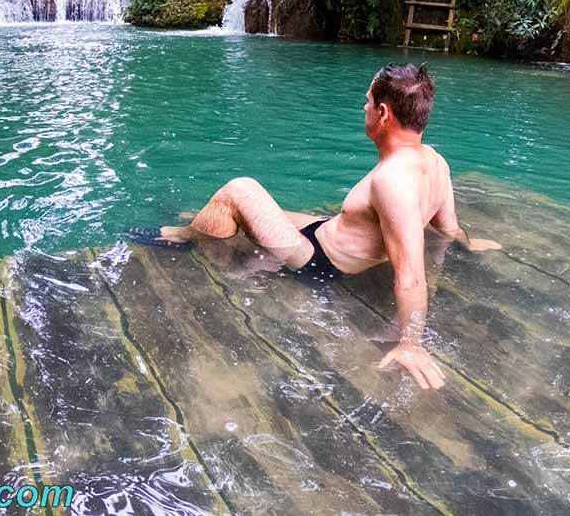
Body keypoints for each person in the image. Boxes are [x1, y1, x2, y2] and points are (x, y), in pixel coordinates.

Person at [158, 63, 501, 390]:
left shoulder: (392, 180)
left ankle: (183, 237)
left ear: (383, 113)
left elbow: (410, 275)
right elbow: (448, 226)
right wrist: (469, 243)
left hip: (319, 261)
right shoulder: (434, 161)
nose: (363, 108)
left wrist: (411, 343)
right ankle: (201, 219)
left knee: (238, 190)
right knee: (247, 210)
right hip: (329, 231)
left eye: (367, 102)